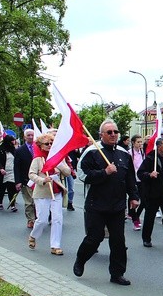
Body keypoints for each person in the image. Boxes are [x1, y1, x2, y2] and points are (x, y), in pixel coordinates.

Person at [73, 120, 140, 286]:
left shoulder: (124, 154)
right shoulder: (91, 152)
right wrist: (104, 172)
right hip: (96, 204)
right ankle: (81, 259)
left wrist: (133, 196)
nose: (113, 135)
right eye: (109, 132)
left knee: (118, 241)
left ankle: (117, 274)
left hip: (117, 205)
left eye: (115, 132)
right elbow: (83, 175)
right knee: (94, 238)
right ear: (101, 134)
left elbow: (130, 177)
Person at [28, 132, 71, 256]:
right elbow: (31, 174)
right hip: (42, 192)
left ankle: (55, 245)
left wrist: (60, 164)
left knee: (57, 219)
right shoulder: (37, 159)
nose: (49, 145)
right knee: (42, 220)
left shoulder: (58, 157)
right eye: (47, 144)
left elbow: (67, 172)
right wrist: (42, 180)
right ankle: (33, 236)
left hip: (56, 190)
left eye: (51, 143)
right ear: (41, 146)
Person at [14, 129, 37, 228]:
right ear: (24, 137)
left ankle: (38, 218)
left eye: (32, 135)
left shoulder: (39, 148)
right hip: (25, 180)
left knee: (37, 201)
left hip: (37, 179)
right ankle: (30, 219)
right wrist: (18, 181)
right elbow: (16, 167)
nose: (31, 137)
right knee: (29, 202)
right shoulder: (19, 150)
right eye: (28, 135)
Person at [0, 135, 18, 211]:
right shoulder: (0, 149)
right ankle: (0, 202)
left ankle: (12, 205)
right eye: (11, 141)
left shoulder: (14, 149)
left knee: (11, 188)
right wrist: (1, 168)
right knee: (2, 188)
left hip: (11, 171)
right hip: (2, 172)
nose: (13, 142)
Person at [128, 134, 145, 231]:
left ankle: (135, 215)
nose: (140, 144)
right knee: (133, 199)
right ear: (133, 143)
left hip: (142, 179)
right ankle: (135, 220)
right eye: (138, 142)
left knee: (144, 200)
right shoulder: (129, 153)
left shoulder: (143, 153)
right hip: (133, 179)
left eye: (141, 142)